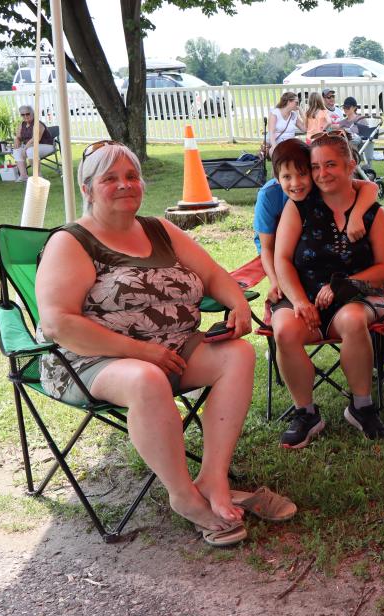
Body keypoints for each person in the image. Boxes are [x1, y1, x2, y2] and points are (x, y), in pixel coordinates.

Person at [35, 141, 259, 546]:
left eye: (131, 177)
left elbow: (212, 273)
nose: (125, 185)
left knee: (238, 355)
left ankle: (213, 477)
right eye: (110, 179)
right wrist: (142, 352)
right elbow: (58, 324)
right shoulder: (71, 242)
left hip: (172, 349)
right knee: (146, 379)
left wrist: (237, 303)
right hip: (87, 361)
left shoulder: (160, 229)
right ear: (87, 189)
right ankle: (185, 497)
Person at [271, 131, 384, 447]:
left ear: (350, 165)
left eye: (331, 165)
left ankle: (361, 407)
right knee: (283, 329)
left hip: (357, 295)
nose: (321, 174)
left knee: (353, 320)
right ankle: (306, 413)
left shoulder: (372, 212)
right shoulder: (299, 207)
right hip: (305, 298)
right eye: (315, 167)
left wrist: (342, 286)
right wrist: (298, 300)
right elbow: (282, 259)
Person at [253, 139, 379, 305]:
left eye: (302, 173)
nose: (296, 183)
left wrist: (356, 215)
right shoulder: (269, 196)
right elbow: (267, 248)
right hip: (281, 258)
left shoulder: (321, 184)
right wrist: (275, 281)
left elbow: (370, 187)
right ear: (277, 178)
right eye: (286, 176)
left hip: (318, 260)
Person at [12, 105, 55, 182]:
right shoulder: (22, 124)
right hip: (30, 146)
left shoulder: (38, 124)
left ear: (32, 113)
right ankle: (23, 176)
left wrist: (24, 149)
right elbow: (18, 136)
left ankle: (38, 176)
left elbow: (35, 139)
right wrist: (16, 140)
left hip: (46, 145)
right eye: (23, 114)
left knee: (30, 150)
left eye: (27, 114)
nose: (25, 116)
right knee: (16, 151)